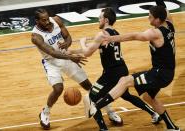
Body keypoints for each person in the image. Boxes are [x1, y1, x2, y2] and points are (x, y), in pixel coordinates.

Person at [84, 2, 180, 131]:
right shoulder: (169, 24)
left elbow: (134, 36)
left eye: (150, 16)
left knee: (125, 81)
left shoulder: (155, 33)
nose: (148, 18)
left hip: (159, 74)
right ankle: (171, 127)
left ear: (157, 19)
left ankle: (96, 106)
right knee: (148, 96)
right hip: (167, 73)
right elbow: (165, 10)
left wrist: (112, 38)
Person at [69, 7, 161, 131]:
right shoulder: (115, 33)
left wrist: (81, 42)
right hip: (121, 69)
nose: (98, 20)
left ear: (106, 20)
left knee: (90, 100)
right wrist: (72, 52)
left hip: (111, 74)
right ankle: (154, 114)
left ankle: (103, 128)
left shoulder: (101, 34)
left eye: (99, 18)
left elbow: (87, 53)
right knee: (126, 95)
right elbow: (93, 47)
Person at [31, 8, 122, 130]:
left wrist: (66, 44)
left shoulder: (56, 20)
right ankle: (45, 112)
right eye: (43, 20)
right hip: (51, 62)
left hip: (66, 56)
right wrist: (71, 57)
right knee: (58, 89)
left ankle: (110, 111)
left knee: (89, 86)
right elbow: (52, 53)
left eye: (47, 18)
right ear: (37, 21)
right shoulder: (36, 36)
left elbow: (68, 37)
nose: (47, 21)